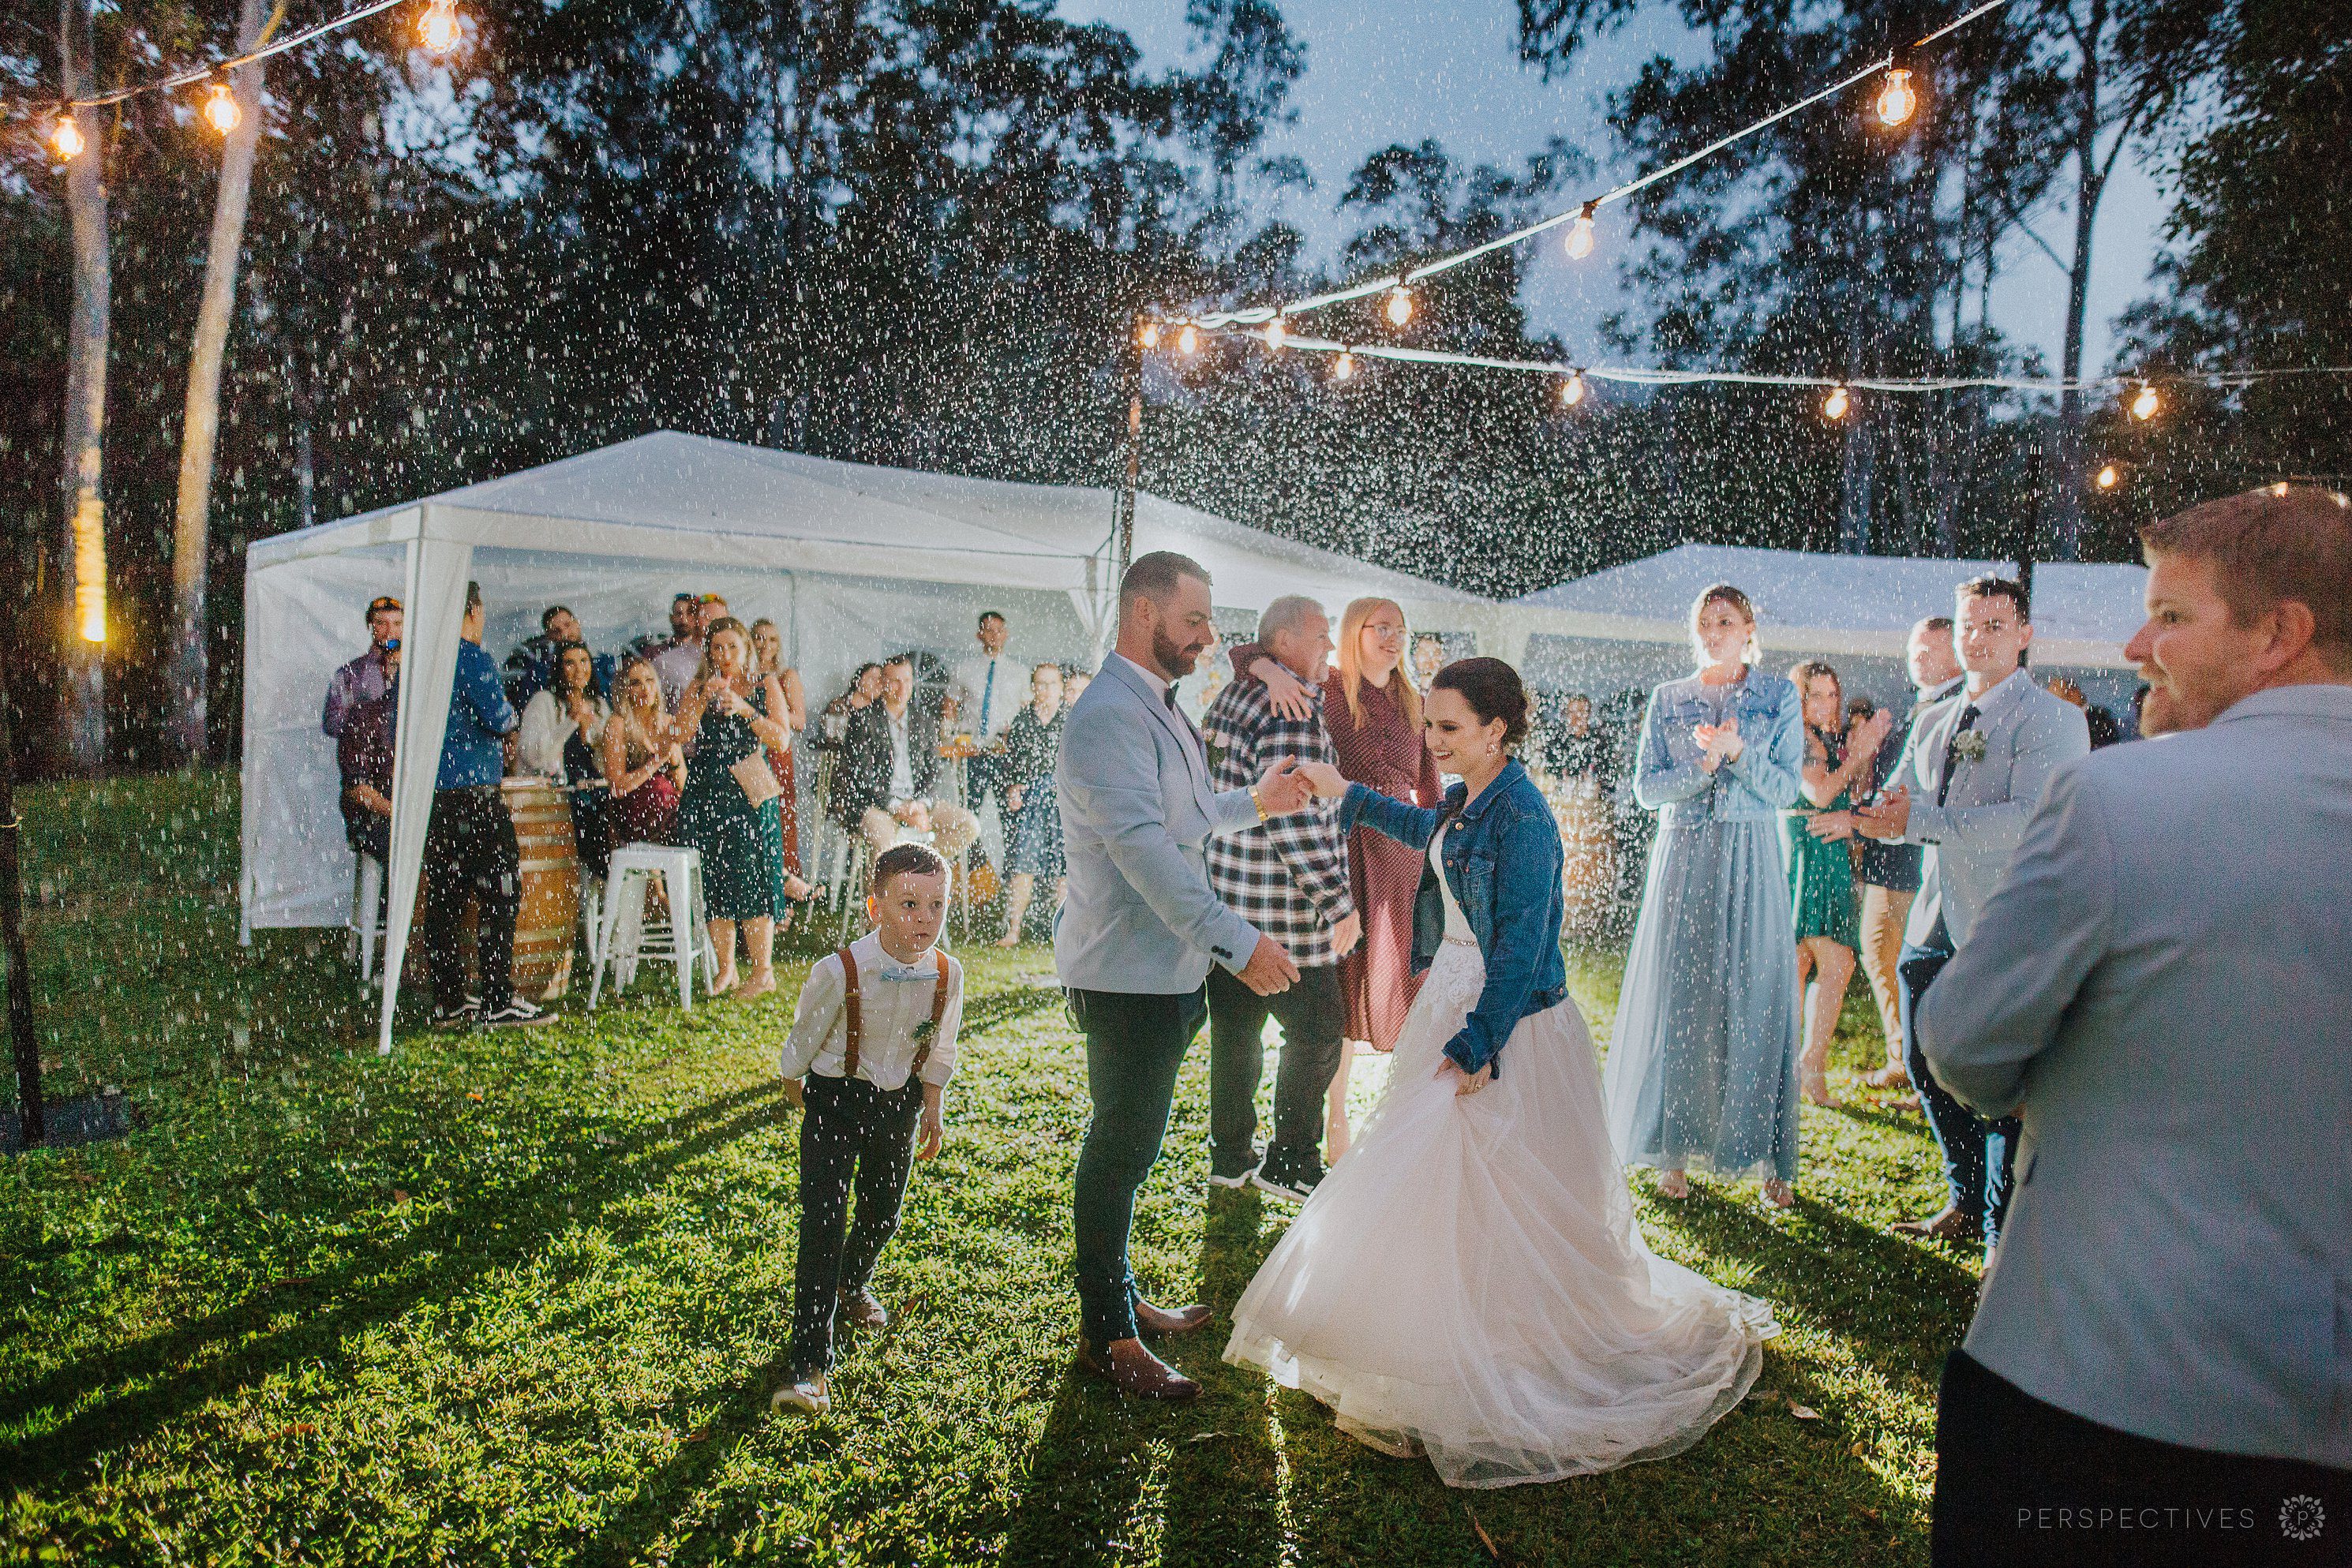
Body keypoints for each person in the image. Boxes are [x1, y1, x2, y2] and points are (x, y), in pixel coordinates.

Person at [1918, 485, 2352, 1565]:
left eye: (2171, 614)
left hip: (2096, 1374)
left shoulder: (2125, 798)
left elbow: (1965, 1041)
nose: (2133, 643)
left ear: (2278, 634)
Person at [1229, 658, 1779, 1488]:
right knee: (1437, 1181)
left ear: (1496, 730)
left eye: (1449, 728)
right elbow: (1425, 831)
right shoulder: (1467, 796)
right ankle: (1425, 1333)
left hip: (1506, 1020)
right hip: (1455, 999)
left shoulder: (1523, 816)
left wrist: (1481, 1041)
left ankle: (1493, 1345)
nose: (1432, 741)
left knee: (1490, 1183)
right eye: (1431, 725)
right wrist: (1338, 787)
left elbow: (1524, 945)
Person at [1054, 550, 1313, 1402]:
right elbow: (1142, 850)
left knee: (1132, 1144)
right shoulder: (1104, 717)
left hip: (1162, 971)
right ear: (1142, 614)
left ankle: (1123, 1298)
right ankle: (1106, 1335)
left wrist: (1255, 803)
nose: (1210, 635)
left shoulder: (1155, 701)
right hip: (1124, 975)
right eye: (1194, 619)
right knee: (1118, 1150)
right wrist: (1236, 939)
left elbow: (1189, 815)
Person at [1856, 576, 2088, 1256]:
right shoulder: (1934, 716)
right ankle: (1963, 1195)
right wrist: (1871, 815)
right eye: (1968, 626)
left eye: (1994, 625)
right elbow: (1906, 800)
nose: (1978, 637)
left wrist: (1917, 818)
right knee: (1926, 1059)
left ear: (2024, 634)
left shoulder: (2052, 719)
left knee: (1996, 1079)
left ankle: (2000, 1232)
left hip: (2010, 918)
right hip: (1936, 911)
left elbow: (2027, 822)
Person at [1601, 586, 1805, 1207]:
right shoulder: (1669, 698)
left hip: (1752, 856)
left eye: (1725, 620)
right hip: (1685, 856)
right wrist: (1703, 768)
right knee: (1684, 997)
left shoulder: (1777, 695)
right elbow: (1645, 789)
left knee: (1758, 992)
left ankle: (1770, 1154)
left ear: (1748, 626)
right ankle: (1674, 1150)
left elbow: (1787, 790)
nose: (1714, 631)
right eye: (1704, 622)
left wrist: (1738, 753)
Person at [1220, 596, 1438, 1161]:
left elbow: (1433, 791)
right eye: (1380, 626)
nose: (1393, 637)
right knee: (1333, 1005)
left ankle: (1397, 1129)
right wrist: (1266, 667)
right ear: (1352, 633)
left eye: (1400, 627)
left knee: (1396, 992)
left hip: (1397, 864)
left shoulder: (1417, 701)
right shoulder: (1328, 689)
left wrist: (1444, 857)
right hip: (1339, 854)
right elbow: (1253, 648)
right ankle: (1329, 1125)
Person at [770, 842, 964, 1419]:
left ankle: (850, 1283)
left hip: (899, 1099)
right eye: (908, 903)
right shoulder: (838, 969)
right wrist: (793, 1082)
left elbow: (941, 1042)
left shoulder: (948, 972)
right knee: (823, 1221)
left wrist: (933, 1100)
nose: (924, 919)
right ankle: (810, 1364)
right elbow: (805, 1034)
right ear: (875, 907)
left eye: (936, 905)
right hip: (836, 1097)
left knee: (883, 1209)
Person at [1202, 597, 1362, 1202]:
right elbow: (1291, 821)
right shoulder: (1290, 707)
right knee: (1320, 1030)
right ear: (1287, 643)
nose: (1329, 648)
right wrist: (1338, 903)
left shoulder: (1234, 695)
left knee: (1236, 1037)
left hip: (1228, 906)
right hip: (1284, 915)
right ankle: (1291, 1160)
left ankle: (1230, 1156)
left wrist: (1258, 663)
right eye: (1321, 637)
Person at [419, 582, 549, 1030]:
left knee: (445, 896)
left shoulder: (422, 655)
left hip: (434, 792)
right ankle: (498, 998)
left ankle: (449, 1000)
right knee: (501, 889)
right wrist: (508, 720)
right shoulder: (469, 656)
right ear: (473, 610)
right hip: (474, 790)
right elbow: (499, 716)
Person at [1850, 618, 1961, 1092]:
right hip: (1890, 857)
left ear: (1953, 653)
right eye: (1914, 650)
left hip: (1914, 865)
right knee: (1881, 953)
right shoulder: (1918, 708)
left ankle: (1919, 1071)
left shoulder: (1957, 710)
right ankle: (1907, 1061)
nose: (1917, 659)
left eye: (1928, 650)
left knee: (1895, 955)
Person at [1777, 661, 1892, 1109]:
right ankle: (1807, 1063)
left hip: (1827, 849)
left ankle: (1798, 1064)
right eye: (1816, 695)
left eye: (1832, 695)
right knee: (1832, 961)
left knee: (1805, 961)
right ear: (1798, 699)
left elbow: (1844, 793)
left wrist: (1862, 754)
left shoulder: (1824, 739)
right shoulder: (1795, 739)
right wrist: (1860, 751)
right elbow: (1821, 794)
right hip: (1808, 847)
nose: (1827, 704)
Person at [673, 617, 803, 1001]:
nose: (725, 656)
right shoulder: (701, 687)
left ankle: (763, 971)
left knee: (752, 879)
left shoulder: (765, 685)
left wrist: (747, 710)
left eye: (733, 647)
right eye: (717, 648)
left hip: (747, 792)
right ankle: (726, 968)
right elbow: (679, 736)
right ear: (708, 652)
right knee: (715, 879)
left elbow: (781, 739)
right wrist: (699, 700)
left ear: (746, 649)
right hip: (707, 790)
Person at [830, 657, 979, 868]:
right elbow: (862, 777)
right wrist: (897, 807)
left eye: (908, 681)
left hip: (917, 803)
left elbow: (933, 771)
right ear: (883, 683)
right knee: (885, 848)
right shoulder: (863, 719)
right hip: (878, 805)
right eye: (895, 681)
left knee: (969, 825)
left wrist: (920, 805)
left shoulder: (924, 720)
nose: (903, 687)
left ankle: (918, 867)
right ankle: (885, 897)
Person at [519, 639, 612, 876]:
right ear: (559, 669)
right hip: (558, 797)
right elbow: (532, 754)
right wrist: (570, 722)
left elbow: (606, 760)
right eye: (570, 663)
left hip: (594, 794)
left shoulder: (599, 705)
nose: (579, 669)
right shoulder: (544, 702)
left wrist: (591, 736)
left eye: (584, 661)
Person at [995, 661, 1068, 946]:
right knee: (1023, 864)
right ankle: (1013, 930)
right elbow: (1010, 766)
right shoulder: (1023, 720)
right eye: (1040, 683)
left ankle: (1061, 931)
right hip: (1031, 802)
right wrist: (1013, 788)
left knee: (1063, 868)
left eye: (1051, 684)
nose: (1045, 689)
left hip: (1063, 801)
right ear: (1033, 687)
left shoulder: (1071, 718)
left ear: (1061, 688)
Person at [945, 610, 1024, 843]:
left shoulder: (1019, 673)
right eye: (989, 630)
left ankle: (1010, 873)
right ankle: (971, 870)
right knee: (968, 816)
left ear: (1006, 634)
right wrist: (951, 736)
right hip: (973, 752)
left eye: (999, 631)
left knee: (1011, 818)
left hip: (1004, 754)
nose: (994, 636)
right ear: (980, 635)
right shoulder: (964, 669)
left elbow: (1027, 712)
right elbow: (949, 706)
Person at [748, 617, 810, 893]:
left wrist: (769, 715)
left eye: (772, 639)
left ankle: (786, 888)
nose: (765, 644)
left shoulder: (786, 676)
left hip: (776, 751)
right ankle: (761, 887)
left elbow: (800, 720)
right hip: (751, 753)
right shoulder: (745, 676)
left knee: (781, 819)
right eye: (760, 637)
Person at [601, 657, 686, 851]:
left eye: (649, 680)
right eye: (635, 683)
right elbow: (617, 787)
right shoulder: (618, 724)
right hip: (635, 811)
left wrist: (673, 758)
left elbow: (682, 783)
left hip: (668, 808)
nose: (645, 689)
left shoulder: (667, 722)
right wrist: (656, 761)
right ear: (625, 691)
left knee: (693, 818)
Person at [338, 639, 401, 865]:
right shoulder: (363, 717)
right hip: (374, 821)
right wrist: (399, 815)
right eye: (396, 668)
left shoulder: (426, 721)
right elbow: (358, 789)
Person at [505, 605, 615, 710]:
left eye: (568, 625)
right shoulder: (541, 670)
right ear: (549, 637)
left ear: (577, 624)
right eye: (556, 631)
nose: (564, 634)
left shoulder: (604, 662)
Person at [322, 595, 401, 739]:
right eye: (381, 623)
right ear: (370, 626)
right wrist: (366, 715)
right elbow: (331, 722)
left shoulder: (416, 670)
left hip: (412, 757)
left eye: (397, 623)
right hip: (369, 756)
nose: (390, 631)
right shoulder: (351, 672)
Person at [646, 593, 706, 705]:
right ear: (671, 617)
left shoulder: (708, 653)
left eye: (690, 613)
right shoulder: (654, 653)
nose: (684, 620)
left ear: (698, 617)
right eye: (679, 614)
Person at [816, 663, 886, 751]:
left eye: (881, 680)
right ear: (859, 680)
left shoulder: (880, 709)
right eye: (872, 679)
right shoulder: (839, 706)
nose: (878, 684)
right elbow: (832, 740)